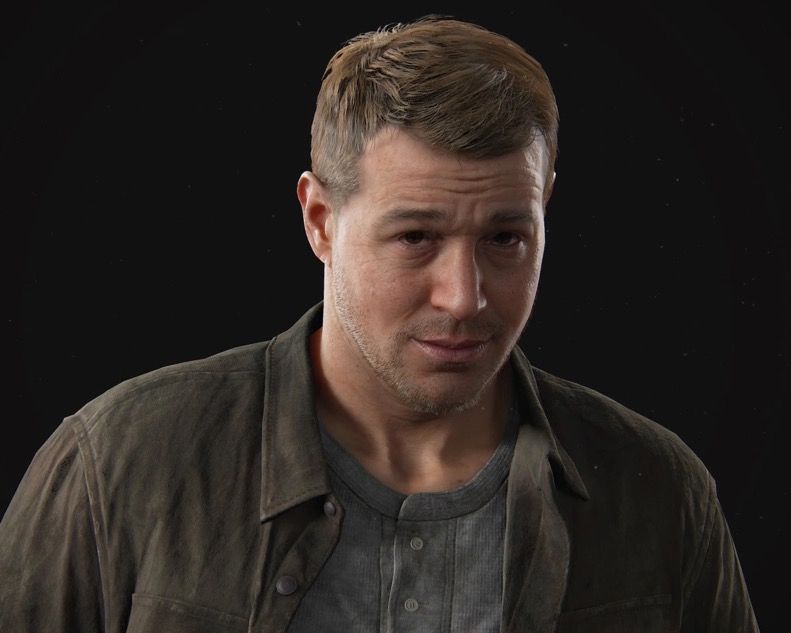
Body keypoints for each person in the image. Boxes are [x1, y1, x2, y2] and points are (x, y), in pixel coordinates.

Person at [0, 15, 758, 633]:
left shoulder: (660, 492)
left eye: (505, 238)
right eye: (415, 236)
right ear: (320, 220)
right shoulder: (117, 465)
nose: (463, 298)